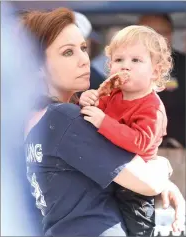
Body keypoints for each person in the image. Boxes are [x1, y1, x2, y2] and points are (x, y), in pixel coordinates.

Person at [21, 8, 184, 236]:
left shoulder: (36, 119)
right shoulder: (65, 117)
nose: (83, 60)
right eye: (68, 52)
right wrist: (162, 166)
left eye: (84, 48)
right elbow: (148, 182)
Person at [79, 25, 172, 236]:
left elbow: (139, 142)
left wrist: (104, 122)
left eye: (136, 60)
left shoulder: (153, 107)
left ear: (155, 71)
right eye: (119, 60)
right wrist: (86, 100)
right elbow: (87, 118)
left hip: (135, 186)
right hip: (105, 176)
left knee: (137, 229)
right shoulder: (111, 95)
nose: (125, 66)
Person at [138, 14, 186, 148]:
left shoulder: (183, 65)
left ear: (170, 35)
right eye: (146, 32)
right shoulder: (123, 65)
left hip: (180, 149)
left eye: (161, 33)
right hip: (136, 149)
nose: (153, 38)